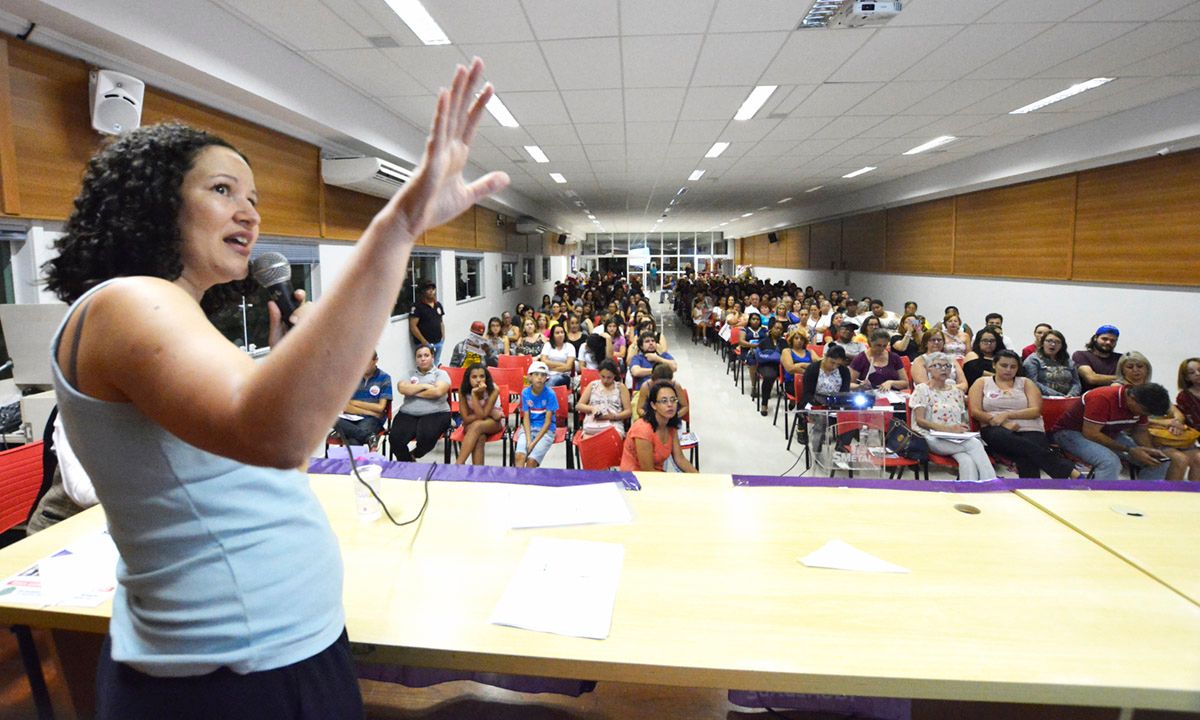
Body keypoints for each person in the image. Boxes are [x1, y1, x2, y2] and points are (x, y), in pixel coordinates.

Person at [41, 58, 506, 719]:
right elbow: (277, 436)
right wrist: (396, 228)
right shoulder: (129, 302)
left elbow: (287, 436)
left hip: (270, 650)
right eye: (225, 191)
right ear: (157, 202)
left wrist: (290, 349)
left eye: (254, 199)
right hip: (229, 675)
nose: (249, 215)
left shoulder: (171, 315)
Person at [968, 350, 1078, 479]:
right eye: (1004, 365)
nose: (1008, 370)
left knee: (1026, 454)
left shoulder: (1026, 382)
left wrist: (1007, 415)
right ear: (994, 365)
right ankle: (1066, 470)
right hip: (995, 428)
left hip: (1031, 428)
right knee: (1020, 444)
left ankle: (1033, 490)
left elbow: (1035, 411)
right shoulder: (982, 382)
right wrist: (1002, 422)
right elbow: (976, 411)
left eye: (1013, 367)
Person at [1051, 383, 1172, 480]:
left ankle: (1143, 500)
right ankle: (1101, 504)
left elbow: (1140, 432)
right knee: (1110, 462)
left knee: (1157, 462)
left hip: (1107, 433)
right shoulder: (1101, 398)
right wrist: (1129, 450)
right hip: (1070, 433)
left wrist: (1149, 451)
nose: (1145, 415)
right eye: (1145, 412)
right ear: (1132, 398)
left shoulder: (1142, 404)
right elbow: (1091, 434)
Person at [910, 352, 998, 481]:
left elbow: (960, 419)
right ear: (929, 368)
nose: (944, 369)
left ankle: (969, 492)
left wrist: (961, 428)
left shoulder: (956, 391)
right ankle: (991, 482)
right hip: (930, 437)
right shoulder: (922, 389)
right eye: (938, 366)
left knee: (966, 460)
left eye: (948, 366)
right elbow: (920, 421)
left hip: (955, 438)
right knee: (974, 444)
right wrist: (948, 429)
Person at [619, 380, 698, 473]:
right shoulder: (642, 429)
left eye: (673, 400)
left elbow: (680, 459)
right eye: (664, 401)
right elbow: (648, 471)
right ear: (653, 405)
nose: (670, 404)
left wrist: (699, 477)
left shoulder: (670, 425)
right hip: (635, 479)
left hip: (657, 475)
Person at [391, 345, 452, 462]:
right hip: (408, 413)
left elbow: (437, 392)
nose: (423, 359)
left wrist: (412, 391)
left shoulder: (440, 374)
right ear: (415, 359)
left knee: (427, 436)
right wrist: (425, 386)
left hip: (436, 412)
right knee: (395, 438)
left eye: (426, 355)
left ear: (432, 358)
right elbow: (402, 388)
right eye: (419, 356)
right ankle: (408, 464)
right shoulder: (409, 374)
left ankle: (415, 454)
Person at [332, 351, 392, 446]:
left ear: (376, 360)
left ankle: (361, 437)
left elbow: (380, 408)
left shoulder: (384, 378)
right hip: (351, 417)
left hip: (371, 420)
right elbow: (346, 406)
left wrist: (354, 403)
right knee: (331, 418)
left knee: (353, 442)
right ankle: (369, 437)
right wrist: (371, 411)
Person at [454, 363, 503, 465]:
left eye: (482, 376)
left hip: (493, 423)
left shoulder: (493, 389)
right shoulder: (463, 390)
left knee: (477, 425)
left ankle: (458, 464)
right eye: (474, 377)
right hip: (472, 423)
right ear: (468, 378)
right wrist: (490, 413)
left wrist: (474, 396)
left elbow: (481, 416)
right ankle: (478, 474)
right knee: (480, 437)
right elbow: (466, 418)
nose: (478, 380)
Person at [514, 361, 558, 468]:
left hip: (546, 431)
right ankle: (518, 483)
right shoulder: (525, 393)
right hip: (528, 429)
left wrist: (533, 443)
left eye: (543, 375)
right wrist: (529, 440)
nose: (539, 378)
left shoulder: (550, 394)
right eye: (536, 374)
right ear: (530, 377)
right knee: (519, 456)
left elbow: (547, 422)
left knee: (531, 461)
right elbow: (526, 418)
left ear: (546, 378)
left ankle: (529, 483)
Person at [576, 359, 632, 437]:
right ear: (599, 373)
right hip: (593, 423)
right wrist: (592, 409)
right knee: (589, 440)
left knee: (611, 438)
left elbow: (628, 411)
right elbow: (579, 405)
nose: (605, 380)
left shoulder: (620, 387)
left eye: (609, 377)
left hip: (613, 423)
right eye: (603, 377)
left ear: (614, 375)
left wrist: (614, 416)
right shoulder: (593, 385)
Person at [1022, 329, 1081, 397]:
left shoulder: (1068, 361)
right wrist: (1059, 396)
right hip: (1043, 398)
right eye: (1049, 341)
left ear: (1062, 346)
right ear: (1042, 343)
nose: (1053, 344)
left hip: (1068, 398)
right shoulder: (1033, 360)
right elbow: (1032, 383)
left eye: (1057, 342)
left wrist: (1071, 394)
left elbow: (1076, 383)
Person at [753, 319, 788, 416]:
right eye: (776, 328)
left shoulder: (784, 342)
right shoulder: (764, 341)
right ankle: (764, 403)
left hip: (780, 366)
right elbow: (758, 356)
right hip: (766, 365)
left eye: (780, 329)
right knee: (769, 376)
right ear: (771, 329)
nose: (778, 330)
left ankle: (793, 401)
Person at [1073, 325, 1122, 393]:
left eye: (1112, 340)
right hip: (1089, 399)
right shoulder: (1081, 355)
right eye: (1104, 339)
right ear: (1095, 338)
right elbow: (1092, 378)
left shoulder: (1121, 358)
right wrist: (1123, 378)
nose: (1108, 342)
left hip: (1115, 399)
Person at [409, 282, 446, 365]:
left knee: (435, 365)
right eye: (428, 289)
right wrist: (424, 341)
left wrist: (443, 337)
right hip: (424, 344)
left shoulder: (438, 305)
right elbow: (413, 326)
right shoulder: (417, 306)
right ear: (423, 291)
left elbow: (441, 321)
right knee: (425, 366)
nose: (431, 291)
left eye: (433, 289)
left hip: (438, 342)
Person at [738, 312, 769, 399]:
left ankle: (766, 387)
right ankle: (754, 386)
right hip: (748, 351)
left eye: (758, 319)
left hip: (762, 350)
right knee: (753, 361)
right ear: (750, 320)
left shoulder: (764, 329)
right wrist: (754, 346)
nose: (756, 321)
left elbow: (768, 340)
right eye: (753, 319)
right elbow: (741, 342)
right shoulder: (744, 329)